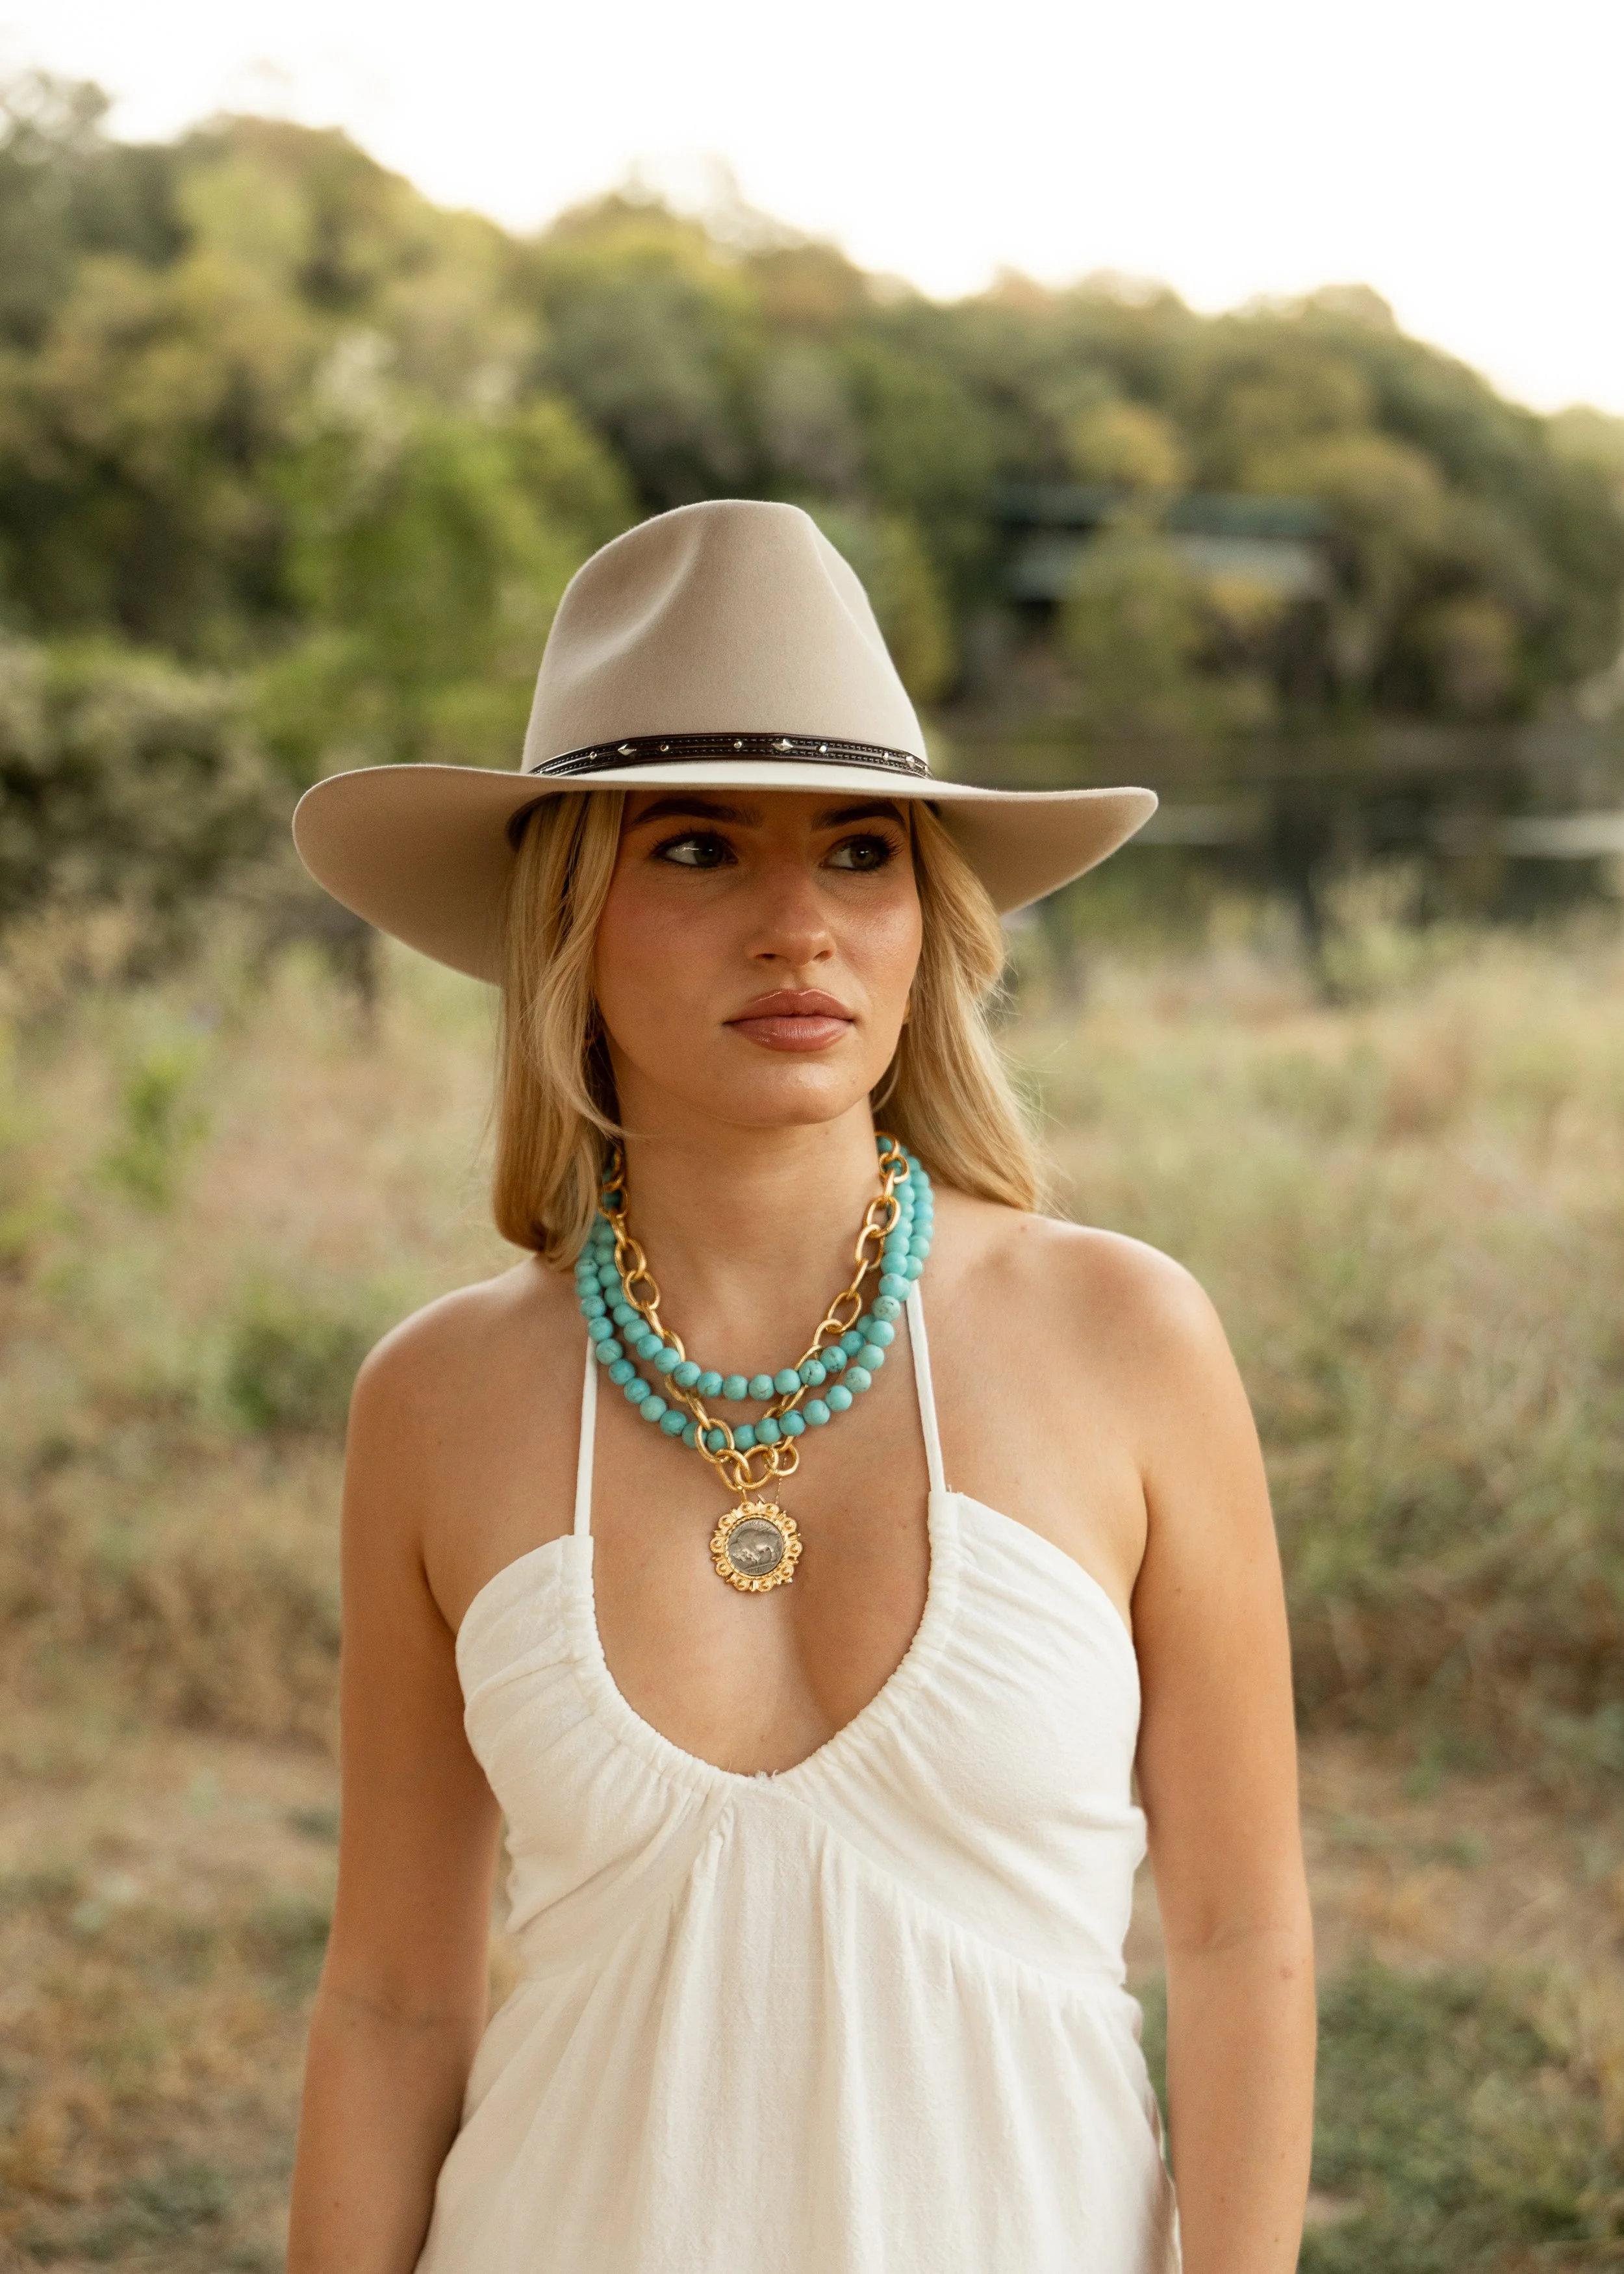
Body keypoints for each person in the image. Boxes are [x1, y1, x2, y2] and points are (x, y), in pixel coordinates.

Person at [285, 500, 1315, 2274]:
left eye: (858, 851)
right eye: (694, 847)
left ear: (930, 913)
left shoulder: (1124, 1337)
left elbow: (1237, 1937)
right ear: (563, 918)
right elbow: (390, 2001)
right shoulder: (437, 1398)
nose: (799, 926)